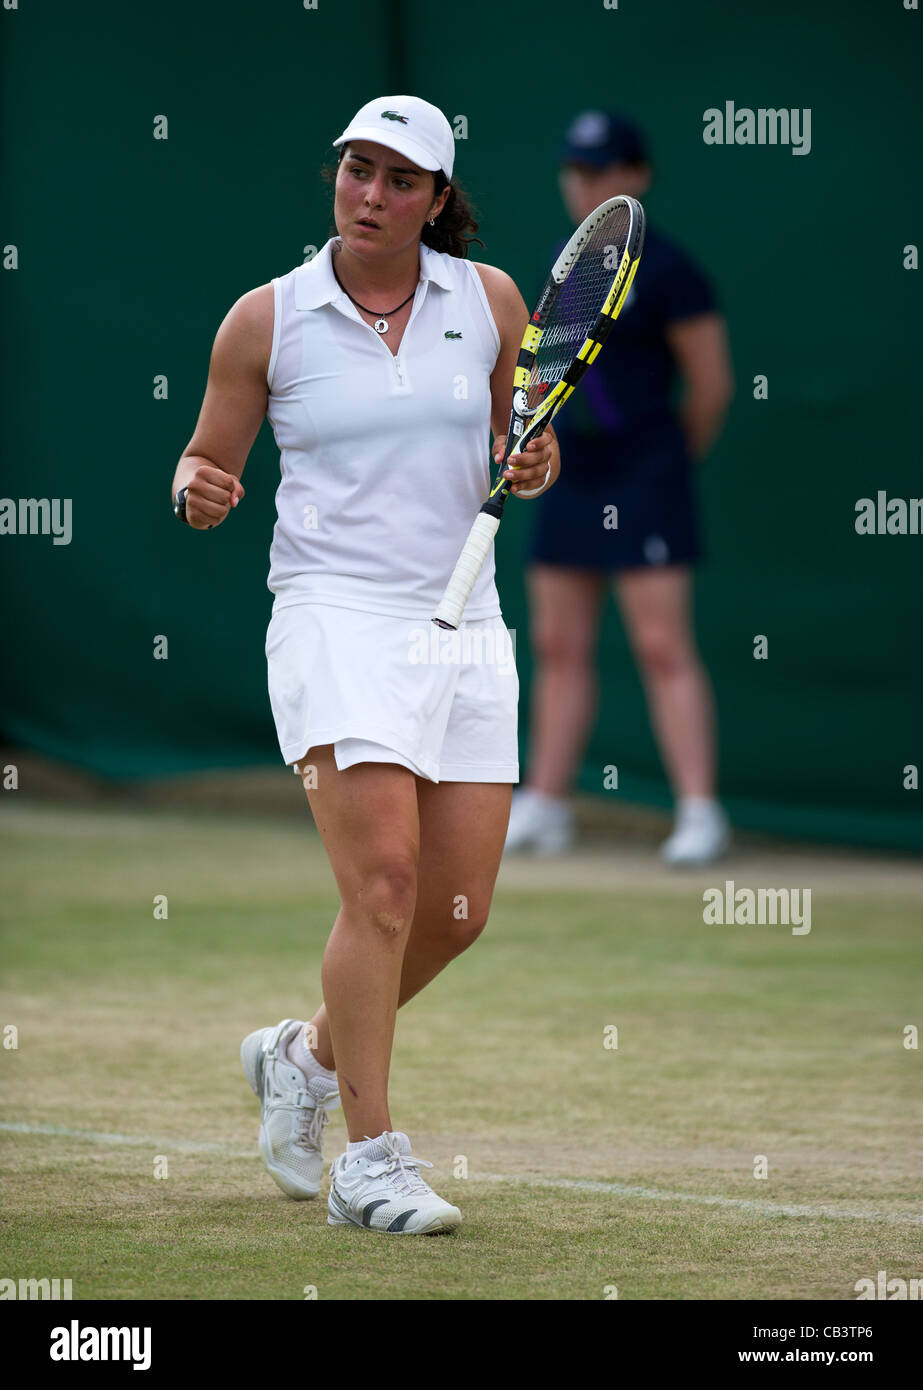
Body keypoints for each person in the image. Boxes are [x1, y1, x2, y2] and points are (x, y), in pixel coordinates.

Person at [170, 95, 558, 1235]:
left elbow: (521, 438)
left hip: (464, 623)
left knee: (452, 907)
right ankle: (370, 1159)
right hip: (332, 613)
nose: (371, 195)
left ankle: (301, 1054)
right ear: (335, 176)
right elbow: (203, 459)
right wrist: (195, 489)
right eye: (356, 170)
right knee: (383, 884)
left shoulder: (485, 300)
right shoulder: (264, 320)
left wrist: (532, 462)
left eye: (399, 179)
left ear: (438, 199)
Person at [505, 111, 734, 866]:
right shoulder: (559, 267)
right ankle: (544, 804)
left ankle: (699, 811)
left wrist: (665, 463)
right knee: (555, 643)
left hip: (646, 472)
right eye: (577, 171)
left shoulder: (670, 270)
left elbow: (711, 386)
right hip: (572, 470)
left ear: (635, 177)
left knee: (662, 643)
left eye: (604, 171)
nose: (588, 186)